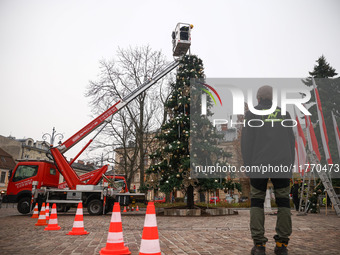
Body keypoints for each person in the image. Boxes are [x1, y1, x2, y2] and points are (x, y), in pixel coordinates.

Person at [241, 86, 295, 255]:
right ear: (272, 99)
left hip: (258, 163)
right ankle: (281, 246)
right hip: (282, 163)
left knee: (257, 201)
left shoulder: (251, 114)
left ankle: (259, 246)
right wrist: (290, 165)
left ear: (258, 99)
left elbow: (246, 142)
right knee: (284, 201)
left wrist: (248, 164)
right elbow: (290, 141)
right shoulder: (284, 114)